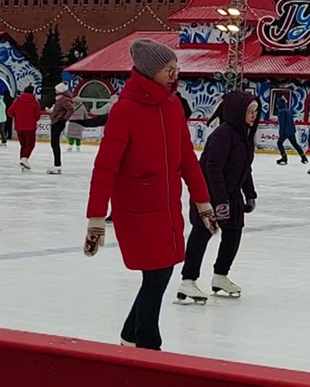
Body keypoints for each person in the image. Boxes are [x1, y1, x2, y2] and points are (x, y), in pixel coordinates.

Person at [83, 39, 218, 350]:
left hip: (168, 208)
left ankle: (130, 336)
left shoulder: (172, 106)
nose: (175, 74)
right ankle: (147, 344)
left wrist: (203, 202)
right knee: (156, 276)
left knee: (159, 274)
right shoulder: (125, 110)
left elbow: (187, 158)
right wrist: (95, 219)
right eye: (168, 70)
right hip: (138, 210)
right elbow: (105, 169)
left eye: (176, 68)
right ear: (149, 72)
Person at [177, 91, 258, 304]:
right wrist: (220, 201)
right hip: (209, 196)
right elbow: (212, 168)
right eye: (250, 111)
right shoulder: (223, 134)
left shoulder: (244, 136)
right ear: (237, 112)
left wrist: (249, 194)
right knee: (202, 234)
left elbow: (245, 169)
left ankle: (220, 276)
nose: (254, 115)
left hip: (232, 196)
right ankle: (188, 279)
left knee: (233, 233)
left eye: (256, 111)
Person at [9, 85, 43, 171]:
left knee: (23, 145)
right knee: (30, 144)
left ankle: (22, 161)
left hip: (19, 126)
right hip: (30, 127)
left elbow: (10, 112)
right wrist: (32, 119)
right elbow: (38, 115)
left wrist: (17, 117)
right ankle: (24, 159)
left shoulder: (17, 101)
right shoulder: (35, 102)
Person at [48, 83, 74, 174]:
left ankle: (57, 165)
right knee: (54, 144)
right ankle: (56, 165)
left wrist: (63, 119)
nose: (55, 91)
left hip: (58, 123)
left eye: (57, 89)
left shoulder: (64, 99)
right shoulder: (60, 99)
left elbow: (70, 109)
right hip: (56, 122)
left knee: (55, 144)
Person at [275, 96, 306, 166]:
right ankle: (303, 157)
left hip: (285, 131)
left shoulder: (281, 112)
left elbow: (282, 123)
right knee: (295, 144)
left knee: (279, 143)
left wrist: (281, 133)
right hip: (291, 130)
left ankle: (284, 158)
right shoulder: (288, 110)